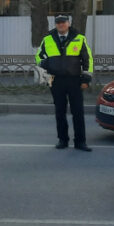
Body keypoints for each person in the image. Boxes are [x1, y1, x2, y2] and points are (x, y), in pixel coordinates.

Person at [36, 15, 94, 151]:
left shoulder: (79, 38)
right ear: (55, 25)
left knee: (78, 112)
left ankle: (80, 142)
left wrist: (86, 79)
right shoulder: (48, 39)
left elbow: (88, 59)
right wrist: (46, 63)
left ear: (68, 23)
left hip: (75, 80)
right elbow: (38, 56)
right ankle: (63, 140)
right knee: (60, 112)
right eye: (58, 23)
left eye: (63, 22)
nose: (61, 25)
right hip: (56, 81)